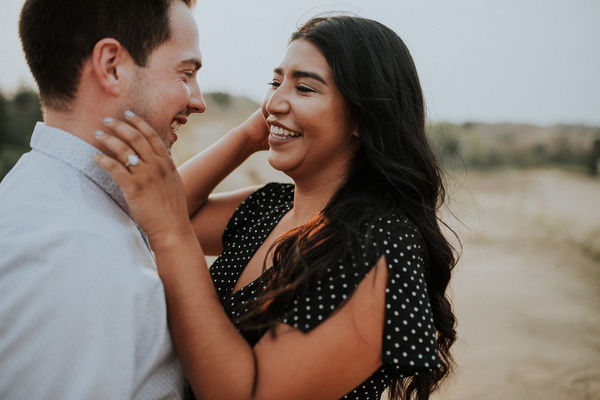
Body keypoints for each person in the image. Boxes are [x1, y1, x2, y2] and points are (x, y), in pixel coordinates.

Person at [95, 15, 459, 400]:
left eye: (304, 87)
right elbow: (148, 215)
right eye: (274, 82)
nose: (272, 102)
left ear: (363, 118)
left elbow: (249, 394)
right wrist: (247, 136)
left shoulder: (380, 241)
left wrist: (170, 235)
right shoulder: (269, 207)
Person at [0, 0, 219, 398]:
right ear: (112, 66)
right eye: (185, 74)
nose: (197, 100)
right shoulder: (75, 252)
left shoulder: (54, 200)